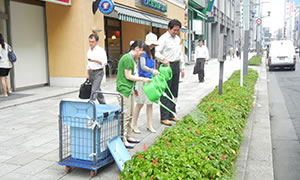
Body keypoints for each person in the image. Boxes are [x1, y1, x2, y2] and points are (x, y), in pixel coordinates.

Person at [116, 40, 152, 149]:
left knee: (130, 114)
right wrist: (143, 79)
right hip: (124, 90)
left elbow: (132, 75)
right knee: (126, 116)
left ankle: (128, 135)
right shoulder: (127, 58)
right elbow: (128, 76)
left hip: (129, 89)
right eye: (142, 51)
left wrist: (135, 88)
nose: (143, 54)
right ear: (137, 48)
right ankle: (123, 139)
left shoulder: (132, 58)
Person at [155, 19, 185, 126]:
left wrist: (182, 67)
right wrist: (163, 59)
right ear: (169, 28)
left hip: (176, 65)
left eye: (178, 30)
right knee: (165, 91)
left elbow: (180, 54)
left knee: (174, 91)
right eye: (174, 30)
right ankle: (164, 117)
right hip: (166, 66)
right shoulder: (163, 38)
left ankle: (172, 114)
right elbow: (156, 52)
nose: (176, 32)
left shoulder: (177, 39)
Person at [132, 32, 159, 134]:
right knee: (140, 103)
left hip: (150, 80)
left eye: (153, 45)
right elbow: (143, 66)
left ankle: (149, 124)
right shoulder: (143, 53)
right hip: (142, 80)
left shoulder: (152, 53)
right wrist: (153, 71)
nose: (152, 46)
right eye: (151, 44)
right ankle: (134, 124)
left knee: (150, 103)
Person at [87, 33, 107, 104]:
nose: (91, 43)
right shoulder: (89, 50)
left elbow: (104, 62)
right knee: (97, 89)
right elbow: (88, 63)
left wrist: (94, 60)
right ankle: (103, 104)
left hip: (98, 72)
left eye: (92, 42)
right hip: (91, 72)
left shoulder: (101, 51)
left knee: (94, 90)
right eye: (89, 41)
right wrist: (88, 74)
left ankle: (90, 104)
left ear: (96, 41)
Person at [0, 33, 12, 97]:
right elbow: (11, 51)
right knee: (5, 78)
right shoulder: (6, 44)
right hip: (8, 65)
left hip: (2, 65)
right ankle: (9, 90)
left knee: (2, 79)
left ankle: (5, 93)